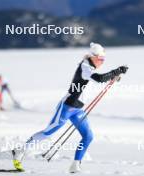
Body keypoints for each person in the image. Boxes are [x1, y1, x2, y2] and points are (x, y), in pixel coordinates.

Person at [12, 42, 128, 173]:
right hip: (67, 107)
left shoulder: (91, 66)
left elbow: (99, 78)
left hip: (78, 110)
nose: (102, 62)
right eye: (100, 59)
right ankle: (19, 150)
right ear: (93, 57)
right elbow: (99, 78)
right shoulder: (85, 66)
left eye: (103, 59)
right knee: (48, 132)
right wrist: (115, 71)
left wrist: (113, 76)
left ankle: (75, 165)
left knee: (88, 136)